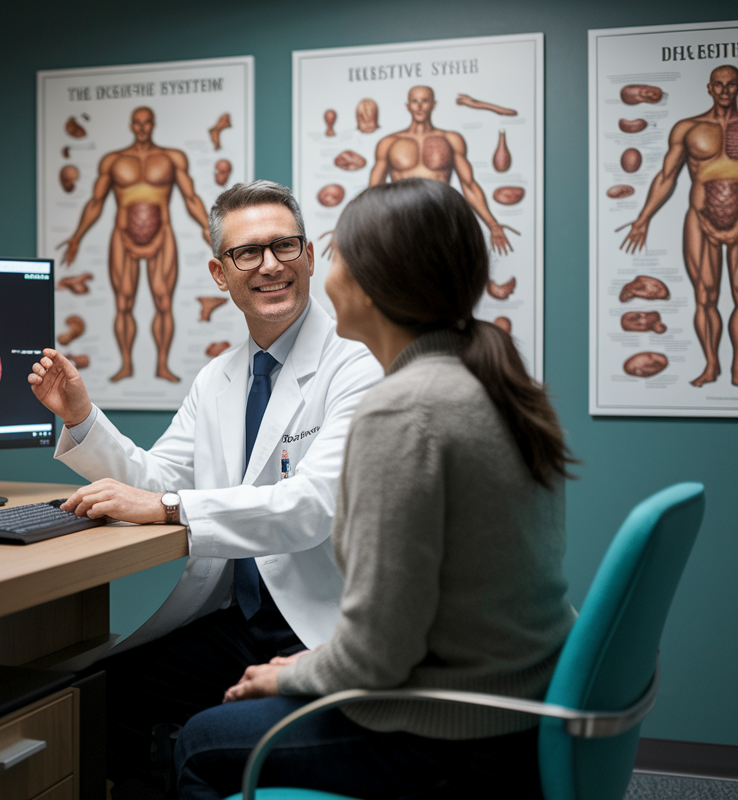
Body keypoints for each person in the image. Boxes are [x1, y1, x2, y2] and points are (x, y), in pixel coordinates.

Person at [174, 178, 577, 800]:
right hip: (514, 701)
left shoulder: (404, 411)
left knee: (200, 742)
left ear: (371, 285)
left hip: (450, 730)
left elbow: (377, 661)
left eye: (330, 255)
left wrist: (291, 675)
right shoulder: (487, 378)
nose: (317, 273)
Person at [29, 180, 382, 796]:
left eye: (285, 246)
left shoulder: (357, 364)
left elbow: (313, 507)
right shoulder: (220, 377)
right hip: (241, 618)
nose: (270, 265)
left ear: (308, 257)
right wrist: (82, 417)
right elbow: (158, 480)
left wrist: (165, 508)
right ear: (222, 273)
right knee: (107, 693)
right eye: (249, 253)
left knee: (198, 734)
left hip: (320, 624)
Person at [59, 106, 212, 383]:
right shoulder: (113, 161)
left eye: (146, 123)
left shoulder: (171, 157)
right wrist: (77, 236)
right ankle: (126, 364)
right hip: (122, 236)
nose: (142, 128)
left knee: (164, 302)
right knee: (123, 302)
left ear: (153, 125)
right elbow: (95, 202)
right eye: (137, 123)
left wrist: (208, 227)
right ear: (132, 125)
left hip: (162, 235)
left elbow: (191, 197)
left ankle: (162, 365)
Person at [618, 65, 738, 387]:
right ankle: (711, 366)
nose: (725, 91)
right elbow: (666, 177)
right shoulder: (687, 128)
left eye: (731, 85)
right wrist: (643, 218)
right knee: (704, 296)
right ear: (709, 88)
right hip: (700, 220)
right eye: (719, 85)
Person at [368, 85, 517, 255]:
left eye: (424, 101)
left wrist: (493, 226)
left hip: (440, 220)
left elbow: (468, 185)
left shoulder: (451, 139)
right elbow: (373, 192)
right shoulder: (388, 143)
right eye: (414, 101)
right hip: (402, 222)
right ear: (407, 106)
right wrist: (348, 230)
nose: (419, 106)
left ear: (433, 104)